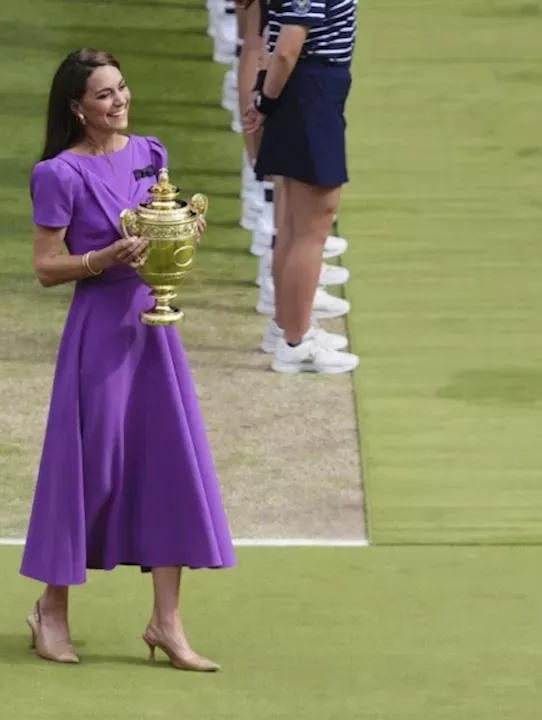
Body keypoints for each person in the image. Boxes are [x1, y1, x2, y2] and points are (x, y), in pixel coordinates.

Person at [19, 48, 235, 672]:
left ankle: (166, 623)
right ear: (77, 109)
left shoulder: (151, 155)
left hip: (155, 332)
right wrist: (104, 258)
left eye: (122, 89)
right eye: (104, 95)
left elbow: (166, 230)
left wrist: (183, 240)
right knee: (94, 471)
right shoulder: (58, 174)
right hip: (100, 337)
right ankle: (51, 612)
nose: (119, 102)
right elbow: (44, 268)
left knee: (166, 468)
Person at [243, 0, 360, 374]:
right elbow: (287, 48)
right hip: (309, 92)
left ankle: (287, 327)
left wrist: (267, 99)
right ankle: (297, 341)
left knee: (294, 225)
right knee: (312, 226)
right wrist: (265, 103)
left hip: (306, 90)